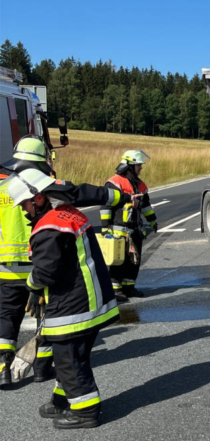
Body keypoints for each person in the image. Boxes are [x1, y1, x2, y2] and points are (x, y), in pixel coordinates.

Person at [0, 136, 134, 390]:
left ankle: (3, 366)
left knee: (7, 316)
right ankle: (42, 366)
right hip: (41, 267)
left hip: (7, 267)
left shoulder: (3, 188)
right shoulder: (48, 188)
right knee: (52, 317)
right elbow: (85, 193)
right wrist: (119, 197)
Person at [1, 168, 120, 429]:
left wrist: (31, 286)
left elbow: (44, 272)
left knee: (68, 358)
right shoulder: (68, 212)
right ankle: (62, 399)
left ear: (39, 198)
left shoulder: (48, 227)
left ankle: (85, 410)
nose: (23, 210)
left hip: (76, 304)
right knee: (70, 356)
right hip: (89, 299)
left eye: (24, 204)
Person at [101, 150, 157, 302]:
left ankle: (129, 287)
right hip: (119, 229)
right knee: (119, 260)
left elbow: (146, 206)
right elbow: (106, 206)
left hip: (135, 229)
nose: (141, 168)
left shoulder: (140, 185)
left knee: (134, 260)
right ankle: (115, 289)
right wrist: (105, 226)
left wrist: (152, 220)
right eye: (138, 165)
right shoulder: (114, 182)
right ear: (130, 166)